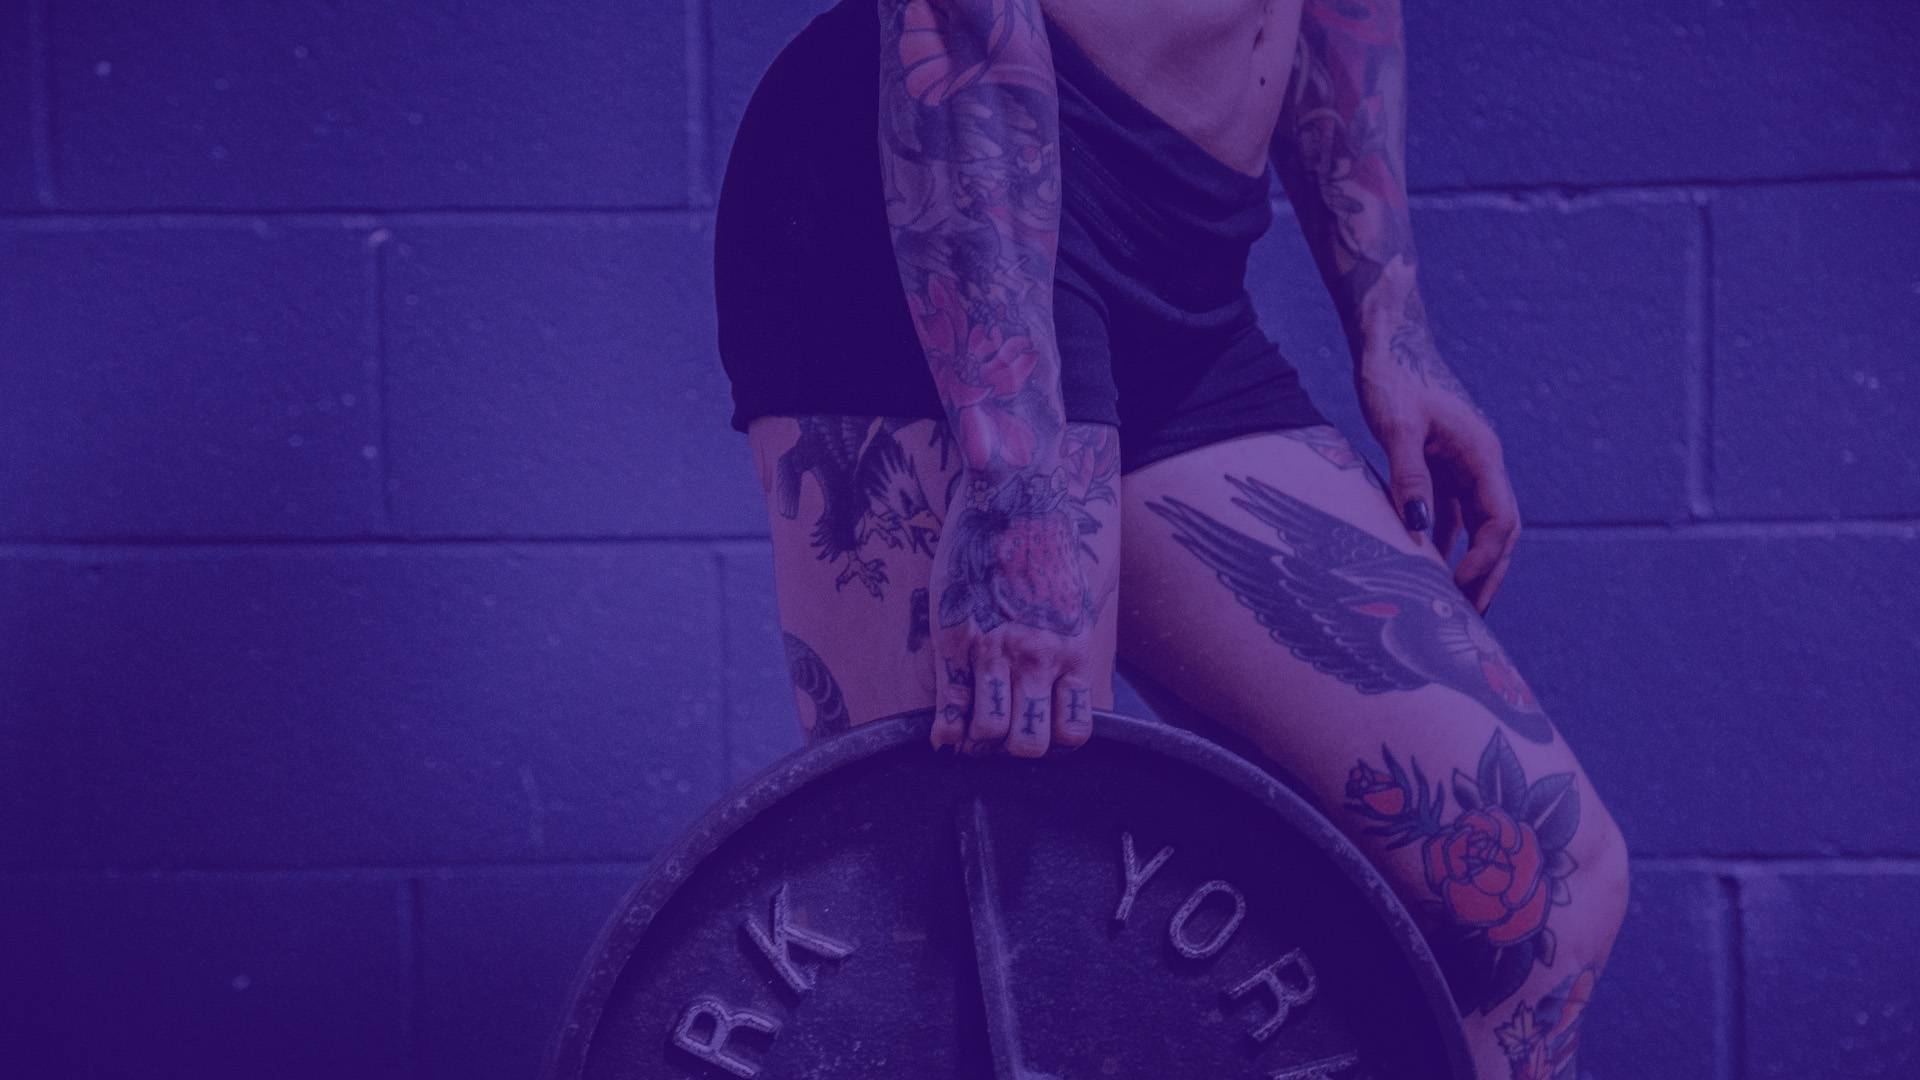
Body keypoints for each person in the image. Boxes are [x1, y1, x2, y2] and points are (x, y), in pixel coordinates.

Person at [714, 1, 1629, 1075]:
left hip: (1183, 250)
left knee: (1548, 890)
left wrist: (1394, 324)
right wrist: (1018, 475)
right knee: (973, 953)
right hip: (959, 199)